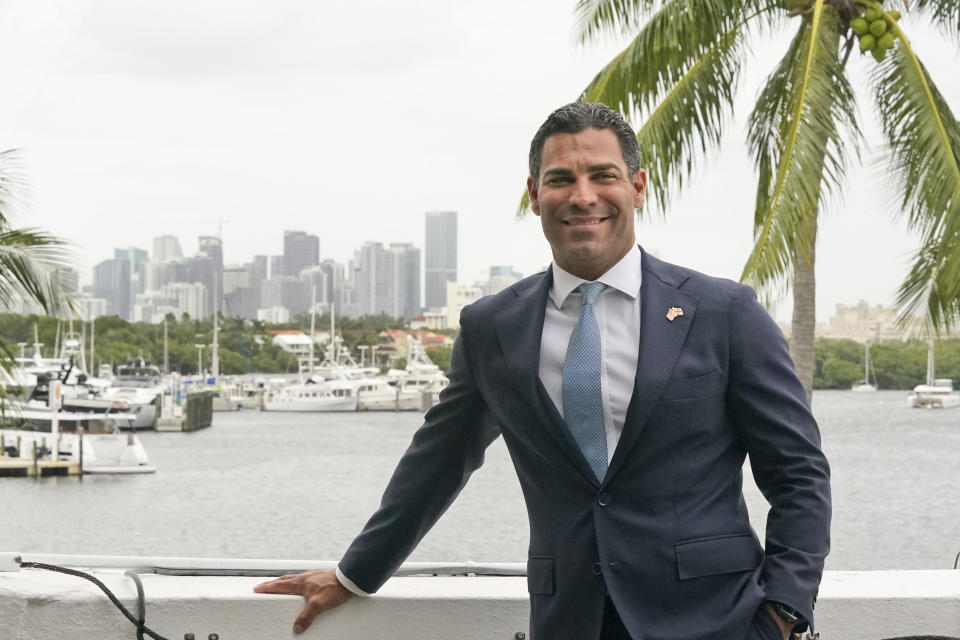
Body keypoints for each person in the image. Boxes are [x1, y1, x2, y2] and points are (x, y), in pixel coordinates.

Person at [254, 102, 831, 640]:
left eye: (602, 176)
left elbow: (798, 471)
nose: (583, 196)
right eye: (561, 179)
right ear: (535, 194)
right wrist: (355, 574)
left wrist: (783, 610)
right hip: (567, 619)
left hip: (717, 619)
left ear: (637, 186)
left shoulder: (722, 313)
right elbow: (437, 462)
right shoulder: (492, 327)